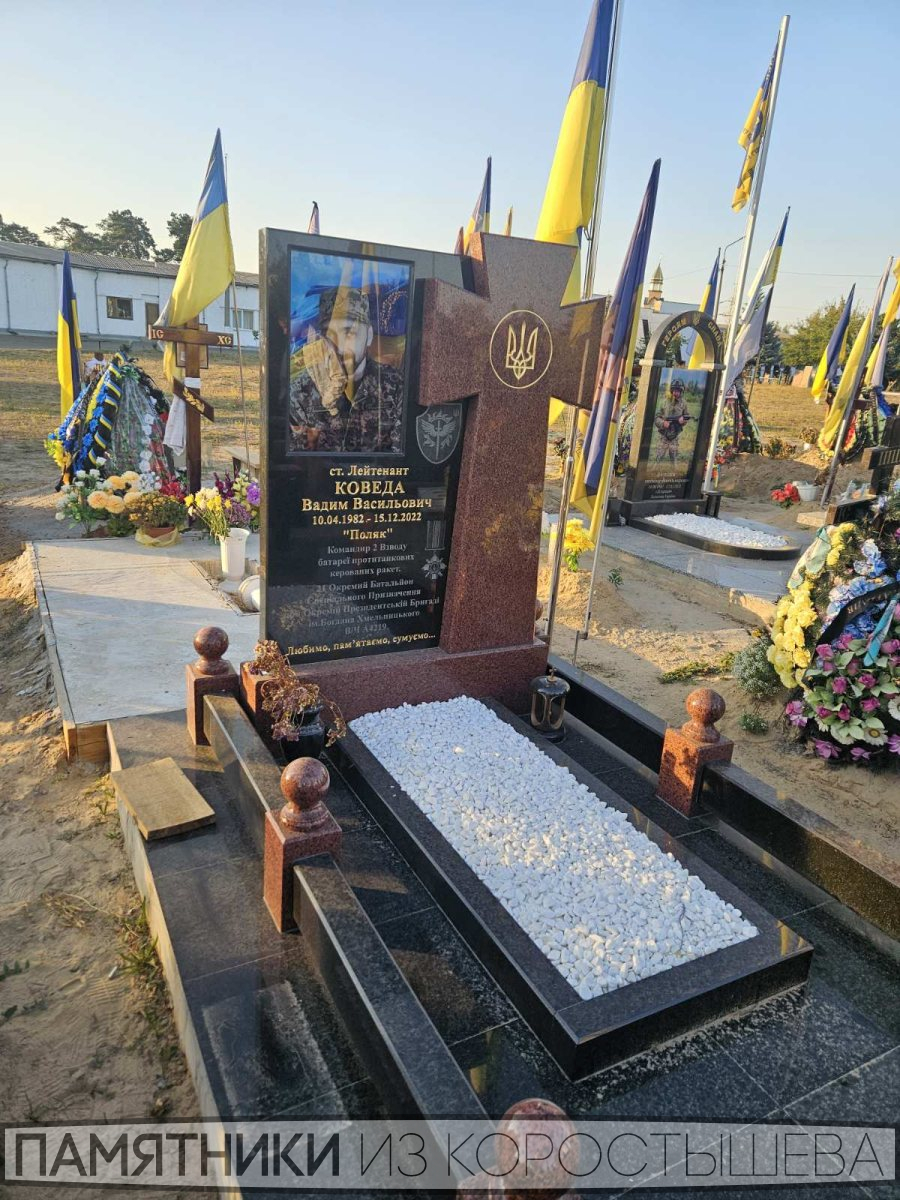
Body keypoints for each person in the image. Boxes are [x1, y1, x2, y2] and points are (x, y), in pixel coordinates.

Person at [289, 286, 403, 453]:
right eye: (329, 334)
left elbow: (399, 454)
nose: (339, 346)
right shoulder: (301, 391)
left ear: (369, 335)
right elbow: (298, 458)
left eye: (349, 332)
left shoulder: (396, 385)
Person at [654, 378, 691, 464]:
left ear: (681, 391)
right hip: (664, 434)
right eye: (674, 390)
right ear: (671, 390)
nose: (676, 393)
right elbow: (656, 417)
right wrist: (663, 423)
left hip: (675, 435)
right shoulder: (664, 402)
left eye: (678, 391)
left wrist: (683, 420)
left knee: (673, 458)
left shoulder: (683, 404)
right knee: (659, 457)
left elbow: (686, 416)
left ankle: (673, 471)